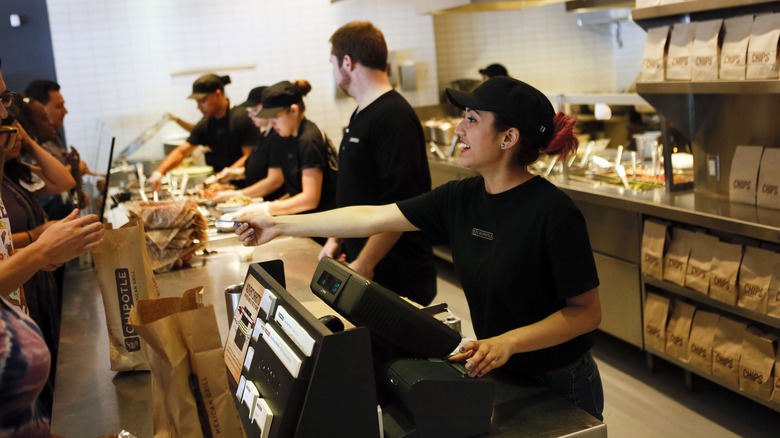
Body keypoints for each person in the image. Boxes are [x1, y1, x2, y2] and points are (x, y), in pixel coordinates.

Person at [234, 77, 604, 420]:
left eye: (472, 120)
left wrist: (508, 342)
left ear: (508, 138)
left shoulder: (553, 212)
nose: (459, 128)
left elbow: (586, 313)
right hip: (503, 369)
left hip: (562, 381)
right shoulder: (462, 197)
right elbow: (371, 218)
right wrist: (279, 224)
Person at [1, 58, 106, 438]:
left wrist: (22, 139)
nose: (4, 110)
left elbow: (62, 180)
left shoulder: (12, 177)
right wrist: (41, 246)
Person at [325, 21, 436, 306]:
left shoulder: (393, 117)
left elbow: (402, 202)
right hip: (364, 266)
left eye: (333, 64)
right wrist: (336, 239)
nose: (334, 73)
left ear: (347, 62)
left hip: (394, 273)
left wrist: (364, 262)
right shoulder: (360, 113)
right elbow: (356, 188)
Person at [149, 74, 258, 191]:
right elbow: (182, 151)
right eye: (197, 102)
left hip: (247, 186)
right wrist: (159, 172)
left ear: (218, 94)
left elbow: (249, 156)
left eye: (203, 101)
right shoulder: (205, 124)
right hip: (222, 185)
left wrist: (221, 176)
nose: (199, 107)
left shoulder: (242, 118)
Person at [253, 80, 337, 216]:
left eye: (275, 117)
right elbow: (296, 190)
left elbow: (310, 199)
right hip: (305, 218)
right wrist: (274, 205)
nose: (272, 124)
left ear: (293, 111)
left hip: (324, 224)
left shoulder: (309, 140)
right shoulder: (290, 136)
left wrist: (266, 209)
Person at [210, 86, 286, 202]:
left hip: (276, 202)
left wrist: (237, 194)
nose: (250, 115)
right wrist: (236, 173)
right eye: (249, 111)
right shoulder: (264, 135)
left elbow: (274, 181)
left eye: (254, 110)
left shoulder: (277, 136)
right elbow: (261, 168)